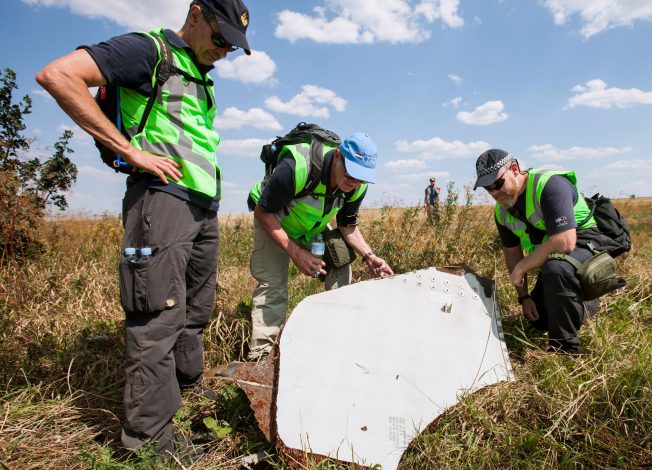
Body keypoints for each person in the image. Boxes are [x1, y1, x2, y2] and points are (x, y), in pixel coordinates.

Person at [36, 0, 251, 454]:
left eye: (232, 46)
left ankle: (186, 395)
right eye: (220, 38)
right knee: (157, 317)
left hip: (200, 207)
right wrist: (128, 150)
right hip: (161, 201)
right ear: (195, 14)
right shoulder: (149, 51)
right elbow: (58, 76)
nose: (224, 51)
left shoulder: (197, 73)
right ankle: (149, 445)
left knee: (194, 311)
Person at [246, 132, 394, 360]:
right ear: (337, 156)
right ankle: (261, 356)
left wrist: (369, 256)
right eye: (351, 173)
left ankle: (335, 335)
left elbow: (347, 226)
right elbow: (263, 212)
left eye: (362, 178)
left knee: (341, 260)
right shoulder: (297, 167)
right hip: (274, 220)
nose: (354, 182)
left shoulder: (357, 186)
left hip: (309, 228)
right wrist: (296, 253)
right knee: (274, 284)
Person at [473, 149, 618, 353]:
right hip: (553, 255)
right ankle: (583, 301)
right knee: (540, 320)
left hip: (585, 243)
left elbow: (564, 242)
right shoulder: (502, 212)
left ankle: (564, 348)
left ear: (514, 168)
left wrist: (523, 267)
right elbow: (512, 255)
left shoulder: (549, 186)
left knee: (555, 268)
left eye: (498, 183)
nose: (495, 192)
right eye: (488, 188)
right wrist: (524, 297)